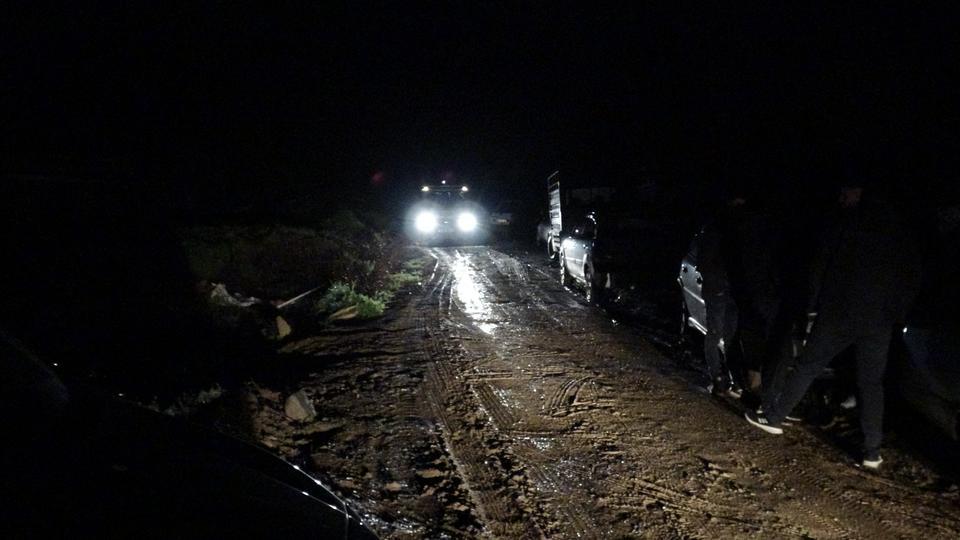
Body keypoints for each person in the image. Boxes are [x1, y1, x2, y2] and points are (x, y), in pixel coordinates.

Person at [745, 183, 921, 469]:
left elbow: (821, 265)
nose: (841, 198)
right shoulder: (899, 233)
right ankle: (872, 451)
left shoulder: (846, 224)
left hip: (839, 312)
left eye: (846, 193)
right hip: (879, 320)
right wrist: (896, 314)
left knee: (808, 365)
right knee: (871, 383)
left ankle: (774, 417)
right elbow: (912, 277)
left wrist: (813, 306)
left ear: (858, 194)